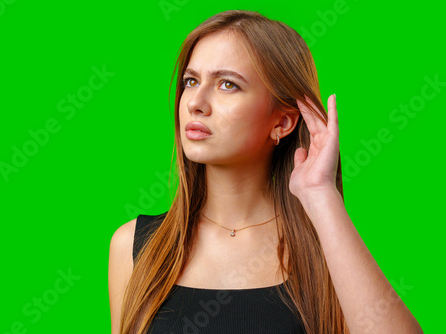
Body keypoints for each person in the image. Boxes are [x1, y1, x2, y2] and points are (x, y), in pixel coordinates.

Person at [108, 10, 423, 334]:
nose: (195, 103)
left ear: (283, 122)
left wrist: (320, 194)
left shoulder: (325, 249)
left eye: (227, 84)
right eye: (191, 81)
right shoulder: (135, 246)